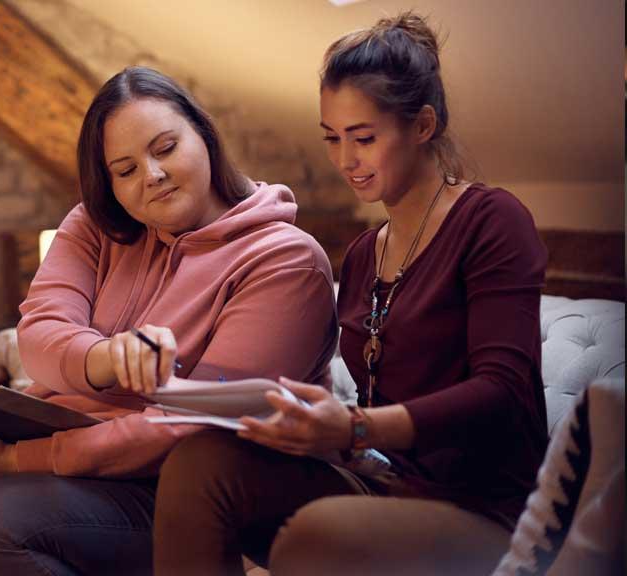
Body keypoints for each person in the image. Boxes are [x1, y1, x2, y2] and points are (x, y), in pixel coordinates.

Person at [0, 66, 338, 576]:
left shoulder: (285, 261)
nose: (151, 176)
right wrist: (104, 358)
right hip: (76, 455)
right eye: (125, 170)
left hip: (180, 488)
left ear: (205, 135)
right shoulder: (96, 225)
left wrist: (16, 461)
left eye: (166, 147)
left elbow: (195, 428)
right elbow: (39, 336)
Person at [152, 13, 549, 576]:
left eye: (363, 138)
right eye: (332, 139)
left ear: (423, 125)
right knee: (199, 463)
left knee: (317, 537)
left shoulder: (492, 220)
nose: (345, 160)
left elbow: (503, 392)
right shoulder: (365, 254)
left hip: (484, 511)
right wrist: (320, 429)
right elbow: (372, 406)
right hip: (382, 481)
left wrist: (358, 427)